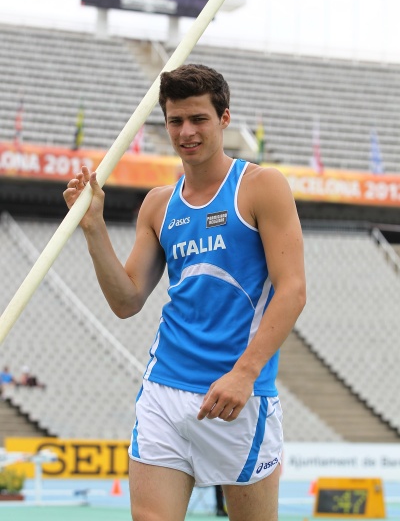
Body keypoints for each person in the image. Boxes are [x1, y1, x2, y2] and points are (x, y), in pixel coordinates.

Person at [63, 64, 306, 521]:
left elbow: (292, 291)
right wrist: (94, 228)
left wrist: (244, 373)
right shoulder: (159, 204)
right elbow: (126, 300)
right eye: (175, 121)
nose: (186, 132)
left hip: (237, 395)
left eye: (198, 119)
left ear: (224, 118)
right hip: (165, 387)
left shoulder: (260, 186)